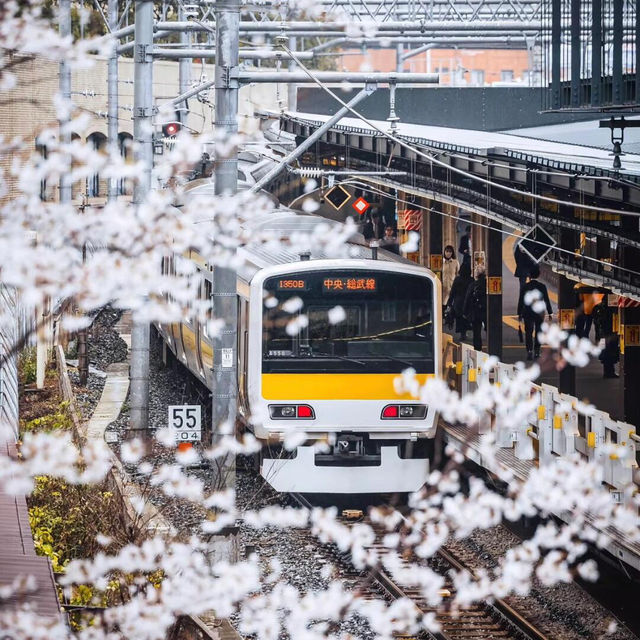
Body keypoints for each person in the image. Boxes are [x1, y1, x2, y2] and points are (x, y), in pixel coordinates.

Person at [517, 264, 553, 360]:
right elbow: (546, 300)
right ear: (538, 274)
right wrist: (550, 312)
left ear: (529, 275)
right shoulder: (542, 286)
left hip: (527, 312)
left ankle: (529, 351)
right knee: (538, 331)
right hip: (539, 313)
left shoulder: (525, 287)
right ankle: (537, 351)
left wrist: (519, 313)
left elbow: (521, 300)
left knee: (528, 332)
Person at [593, 293, 619, 378]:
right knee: (610, 352)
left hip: (601, 335)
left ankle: (608, 372)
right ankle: (609, 372)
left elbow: (596, 322)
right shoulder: (612, 310)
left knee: (605, 353)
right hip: (609, 335)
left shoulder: (597, 308)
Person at [446, 261, 473, 340]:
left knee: (459, 318)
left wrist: (450, 302)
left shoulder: (457, 279)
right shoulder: (471, 280)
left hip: (458, 302)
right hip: (468, 302)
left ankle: (462, 334)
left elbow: (452, 291)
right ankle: (466, 332)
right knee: (466, 317)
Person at [463, 264, 487, 351]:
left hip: (475, 312)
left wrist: (465, 312)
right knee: (490, 330)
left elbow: (467, 299)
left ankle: (478, 350)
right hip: (486, 311)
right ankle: (492, 348)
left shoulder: (473, 285)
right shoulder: (488, 284)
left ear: (476, 274)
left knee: (476, 333)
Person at [442, 245, 459, 310]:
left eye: (450, 251)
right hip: (443, 287)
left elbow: (457, 274)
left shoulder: (455, 262)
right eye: (447, 251)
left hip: (452, 287)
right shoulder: (441, 262)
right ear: (444, 252)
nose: (448, 253)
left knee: (451, 305)